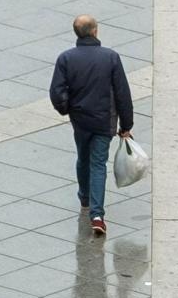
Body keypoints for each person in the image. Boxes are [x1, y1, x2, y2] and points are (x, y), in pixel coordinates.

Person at [50, 17, 135, 238]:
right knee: (98, 163)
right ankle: (97, 215)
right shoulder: (110, 58)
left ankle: (85, 197)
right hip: (104, 120)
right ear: (95, 31)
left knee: (83, 157)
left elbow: (57, 92)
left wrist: (66, 108)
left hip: (80, 120)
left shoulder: (66, 58)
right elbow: (122, 93)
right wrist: (126, 125)